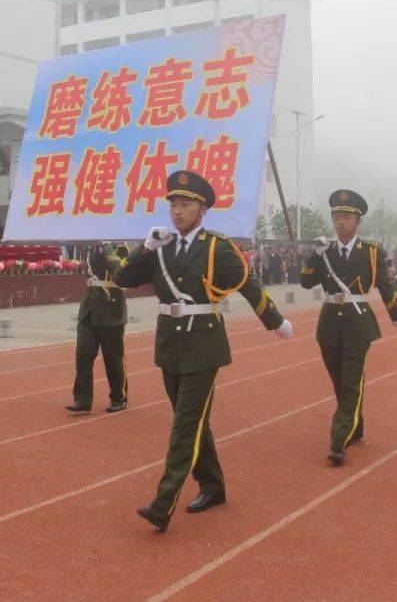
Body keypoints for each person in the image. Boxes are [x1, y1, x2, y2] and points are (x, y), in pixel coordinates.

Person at [115, 170, 293, 532]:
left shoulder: (217, 247)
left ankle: (163, 502)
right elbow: (123, 279)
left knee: (184, 426)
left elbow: (248, 284)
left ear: (202, 209)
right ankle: (213, 486)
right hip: (170, 343)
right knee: (195, 422)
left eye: (185, 204)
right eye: (174, 204)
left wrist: (274, 321)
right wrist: (145, 248)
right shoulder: (160, 246)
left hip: (203, 344)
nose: (177, 211)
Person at [301, 189, 397, 466]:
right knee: (339, 380)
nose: (340, 221)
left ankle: (339, 438)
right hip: (330, 323)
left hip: (358, 323)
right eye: (336, 216)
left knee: (350, 380)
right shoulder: (326, 251)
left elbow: (384, 284)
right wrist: (314, 255)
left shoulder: (371, 252)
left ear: (357, 221)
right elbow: (305, 282)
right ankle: (354, 425)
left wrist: (395, 312)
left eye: (346, 216)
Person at [67, 242, 129, 415]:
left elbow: (121, 272)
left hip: (111, 310)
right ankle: (82, 399)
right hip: (89, 309)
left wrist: (108, 248)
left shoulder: (119, 247)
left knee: (113, 359)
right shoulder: (89, 247)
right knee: (83, 354)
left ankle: (118, 397)